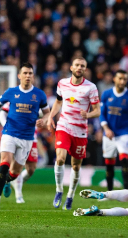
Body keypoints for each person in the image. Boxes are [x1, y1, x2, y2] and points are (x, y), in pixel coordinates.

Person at [0, 62, 50, 210]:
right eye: (25, 73)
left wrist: (43, 120)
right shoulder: (11, 92)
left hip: (27, 138)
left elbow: (48, 113)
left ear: (33, 76)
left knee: (15, 172)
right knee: (4, 163)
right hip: (9, 133)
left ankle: (7, 182)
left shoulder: (39, 94)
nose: (28, 76)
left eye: (30, 73)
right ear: (19, 76)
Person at [47, 57, 100, 210]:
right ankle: (59, 191)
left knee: (76, 167)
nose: (79, 68)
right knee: (60, 159)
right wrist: (51, 116)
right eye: (77, 65)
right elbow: (58, 101)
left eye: (82, 66)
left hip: (80, 131)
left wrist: (88, 115)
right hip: (64, 126)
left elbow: (97, 111)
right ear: (71, 67)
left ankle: (70, 195)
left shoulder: (91, 87)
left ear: (85, 69)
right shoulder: (62, 83)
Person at [100, 69, 128, 191]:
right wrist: (106, 128)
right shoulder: (106, 94)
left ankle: (126, 191)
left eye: (125, 79)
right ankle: (109, 192)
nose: (122, 81)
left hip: (124, 132)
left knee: (124, 160)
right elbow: (102, 114)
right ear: (114, 79)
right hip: (109, 133)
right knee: (109, 163)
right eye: (120, 78)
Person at [0, 103, 39, 203]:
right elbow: (1, 114)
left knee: (31, 169)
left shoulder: (37, 98)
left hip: (32, 137)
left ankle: (9, 180)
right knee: (16, 166)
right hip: (14, 136)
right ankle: (19, 195)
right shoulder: (15, 98)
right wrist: (6, 126)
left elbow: (44, 113)